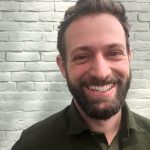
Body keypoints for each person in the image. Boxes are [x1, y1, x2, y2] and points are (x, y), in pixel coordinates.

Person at [11, 0, 150, 150]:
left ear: (129, 57)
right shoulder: (31, 145)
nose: (101, 73)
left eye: (114, 53)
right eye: (82, 56)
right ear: (63, 66)